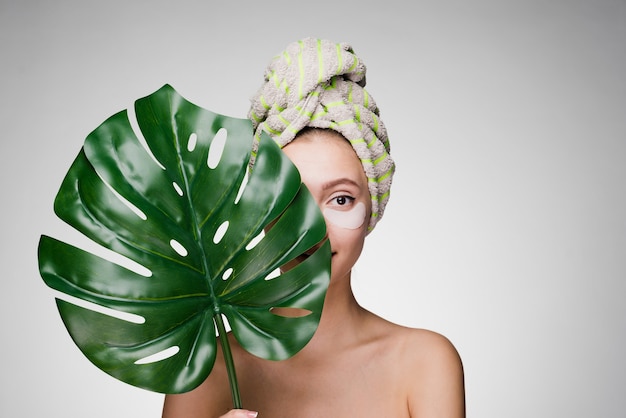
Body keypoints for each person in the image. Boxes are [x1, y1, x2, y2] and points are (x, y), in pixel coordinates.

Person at [162, 37, 465, 418]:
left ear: (372, 207)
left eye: (340, 199)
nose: (312, 228)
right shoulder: (207, 370)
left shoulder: (425, 364)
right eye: (292, 199)